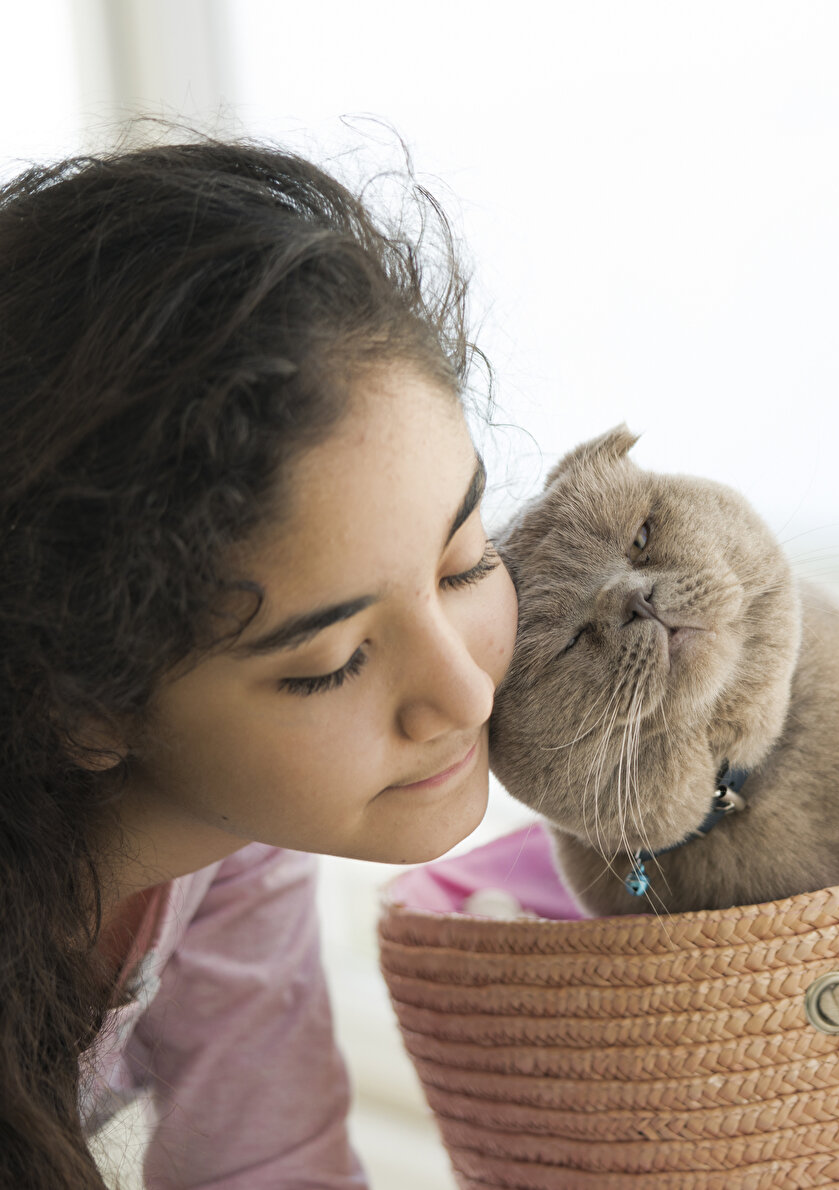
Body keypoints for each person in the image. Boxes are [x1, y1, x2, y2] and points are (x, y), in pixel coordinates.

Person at [0, 136, 519, 1189]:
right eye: (330, 661)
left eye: (463, 561)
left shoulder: (230, 835)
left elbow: (271, 1166)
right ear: (78, 702)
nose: (463, 692)